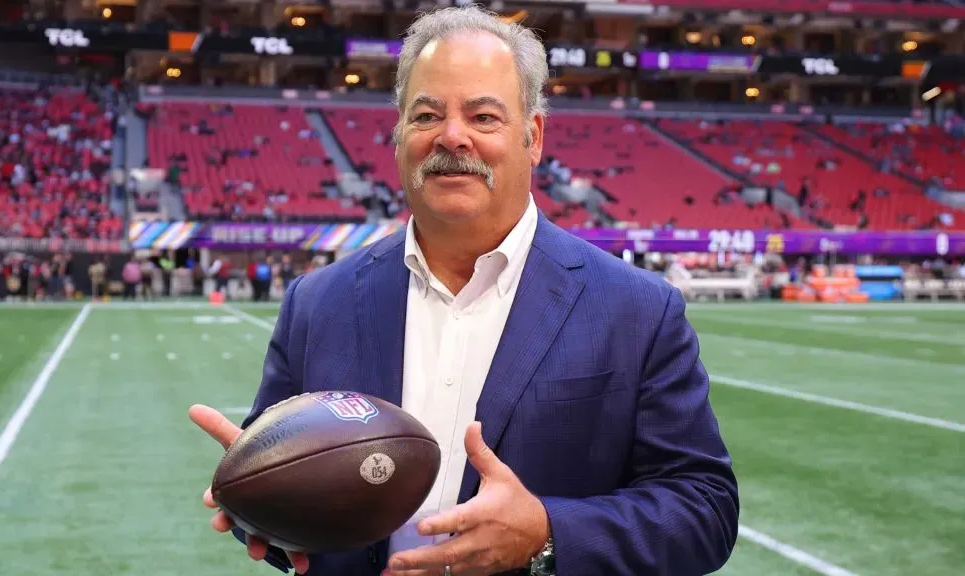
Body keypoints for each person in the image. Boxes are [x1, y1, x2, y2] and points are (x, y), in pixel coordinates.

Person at [190, 6, 738, 576]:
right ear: (399, 133)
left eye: (483, 116)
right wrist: (261, 502)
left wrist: (546, 533)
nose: (452, 136)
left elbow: (705, 509)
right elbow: (286, 520)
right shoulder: (315, 303)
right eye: (427, 114)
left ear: (533, 136)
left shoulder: (637, 311)